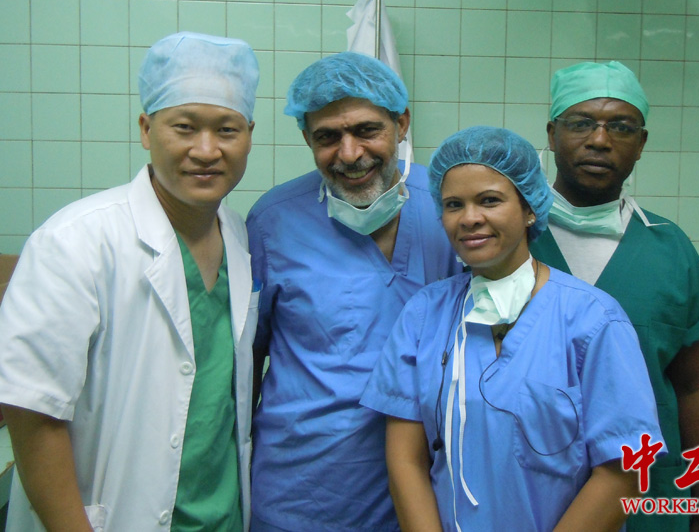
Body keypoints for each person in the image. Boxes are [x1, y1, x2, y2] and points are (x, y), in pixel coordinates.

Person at [0, 32, 260, 531]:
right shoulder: (74, 242)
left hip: (221, 515)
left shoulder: (238, 234)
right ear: (146, 129)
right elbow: (32, 413)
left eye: (227, 130)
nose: (206, 150)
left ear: (249, 134)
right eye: (184, 127)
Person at [360, 126, 664, 532]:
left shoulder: (593, 320)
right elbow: (406, 460)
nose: (470, 218)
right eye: (453, 205)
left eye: (489, 200)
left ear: (529, 208)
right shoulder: (424, 315)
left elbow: (623, 471)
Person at [246, 51, 459, 532]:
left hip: (428, 490)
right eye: (327, 137)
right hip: (305, 489)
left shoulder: (451, 208)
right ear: (307, 138)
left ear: (401, 124)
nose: (349, 153)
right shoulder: (275, 221)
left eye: (367, 130)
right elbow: (247, 360)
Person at [529, 61, 699, 532]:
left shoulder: (669, 250)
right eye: (581, 123)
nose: (600, 140)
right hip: (529, 494)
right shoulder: (508, 238)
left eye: (621, 127)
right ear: (552, 134)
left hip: (647, 497)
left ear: (641, 144)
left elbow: (694, 388)